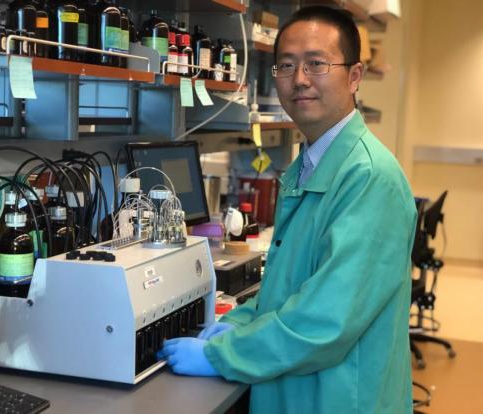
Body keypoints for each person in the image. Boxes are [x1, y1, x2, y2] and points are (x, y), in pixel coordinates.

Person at [158, 6, 417, 414]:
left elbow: (326, 322)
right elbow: (288, 291)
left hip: (339, 400)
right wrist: (236, 324)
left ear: (354, 76)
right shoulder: (311, 164)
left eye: (316, 64)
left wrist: (221, 355)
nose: (299, 79)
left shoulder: (369, 178)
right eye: (286, 65)